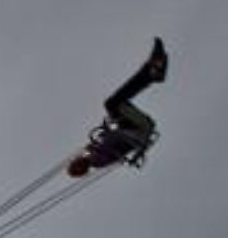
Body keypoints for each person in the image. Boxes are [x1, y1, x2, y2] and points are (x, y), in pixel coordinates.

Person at [68, 38, 168, 177]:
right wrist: (98, 144)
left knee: (113, 103)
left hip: (130, 128)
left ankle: (151, 72)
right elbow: (113, 150)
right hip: (139, 130)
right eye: (76, 162)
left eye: (75, 161)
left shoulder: (95, 156)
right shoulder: (98, 162)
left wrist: (104, 132)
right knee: (112, 103)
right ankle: (151, 73)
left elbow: (110, 139)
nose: (77, 159)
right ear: (80, 166)